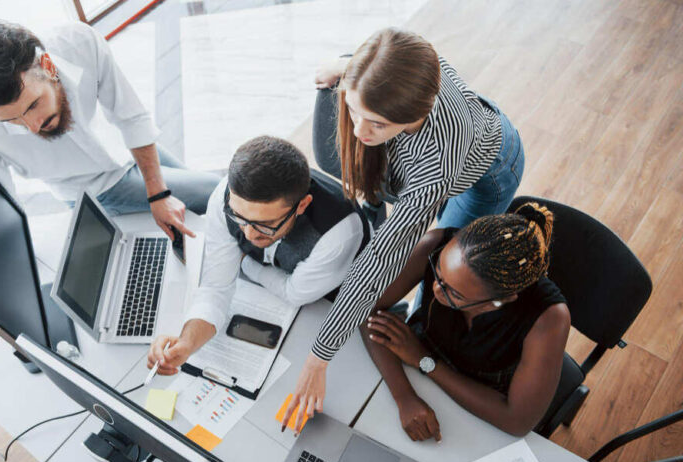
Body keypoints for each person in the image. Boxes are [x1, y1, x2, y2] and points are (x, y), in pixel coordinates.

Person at [282, 27, 525, 432]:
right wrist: (340, 70)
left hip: (487, 169)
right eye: (354, 110)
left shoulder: (434, 167)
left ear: (417, 112)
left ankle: (418, 323)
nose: (360, 131)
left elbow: (379, 261)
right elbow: (369, 70)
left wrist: (318, 358)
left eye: (376, 123)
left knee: (443, 268)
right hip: (452, 124)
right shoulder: (399, 56)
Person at [0, 21, 219, 239]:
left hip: (123, 148)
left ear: (48, 67)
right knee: (218, 193)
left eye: (32, 106)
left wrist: (158, 194)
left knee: (215, 202)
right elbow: (2, 204)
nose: (32, 126)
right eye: (10, 121)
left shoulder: (79, 43)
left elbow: (130, 116)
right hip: (94, 189)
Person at [146, 136, 369, 374]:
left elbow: (294, 293)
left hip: (334, 295)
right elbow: (215, 288)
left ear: (302, 206)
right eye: (239, 217)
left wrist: (244, 263)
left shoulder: (338, 235)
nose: (249, 234)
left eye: (266, 223)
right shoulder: (226, 197)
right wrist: (187, 343)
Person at [363, 203, 569, 439]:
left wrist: (425, 361)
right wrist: (404, 396)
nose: (435, 290)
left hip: (480, 406)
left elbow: (517, 421)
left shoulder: (549, 319)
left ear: (499, 301)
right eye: (438, 271)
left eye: (454, 294)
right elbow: (364, 307)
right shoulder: (434, 244)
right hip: (411, 365)